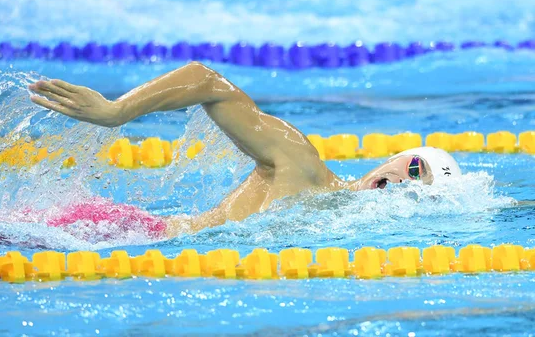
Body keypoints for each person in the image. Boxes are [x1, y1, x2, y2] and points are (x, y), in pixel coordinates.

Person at [29, 61, 461, 239]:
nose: (405, 182)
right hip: (114, 232)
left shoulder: (343, 229)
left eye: (418, 188)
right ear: (392, 158)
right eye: (415, 167)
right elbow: (206, 81)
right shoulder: (302, 163)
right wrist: (116, 112)